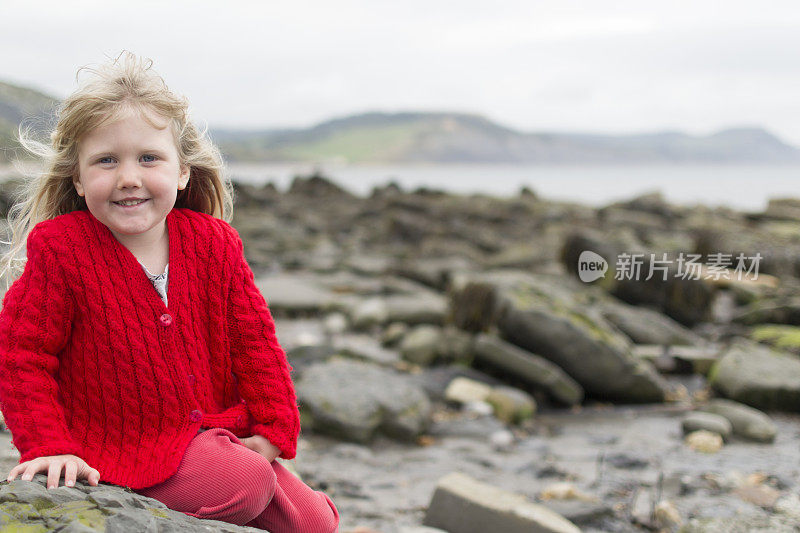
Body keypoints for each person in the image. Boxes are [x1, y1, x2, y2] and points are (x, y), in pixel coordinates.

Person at [0, 51, 339, 533]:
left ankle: (235, 470)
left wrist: (272, 429)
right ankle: (178, 485)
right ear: (77, 177)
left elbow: (255, 344)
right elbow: (22, 357)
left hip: (206, 431)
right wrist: (50, 447)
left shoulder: (213, 242)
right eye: (106, 161)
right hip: (112, 448)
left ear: (182, 172)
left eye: (148, 158)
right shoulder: (62, 249)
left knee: (317, 523)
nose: (129, 177)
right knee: (245, 482)